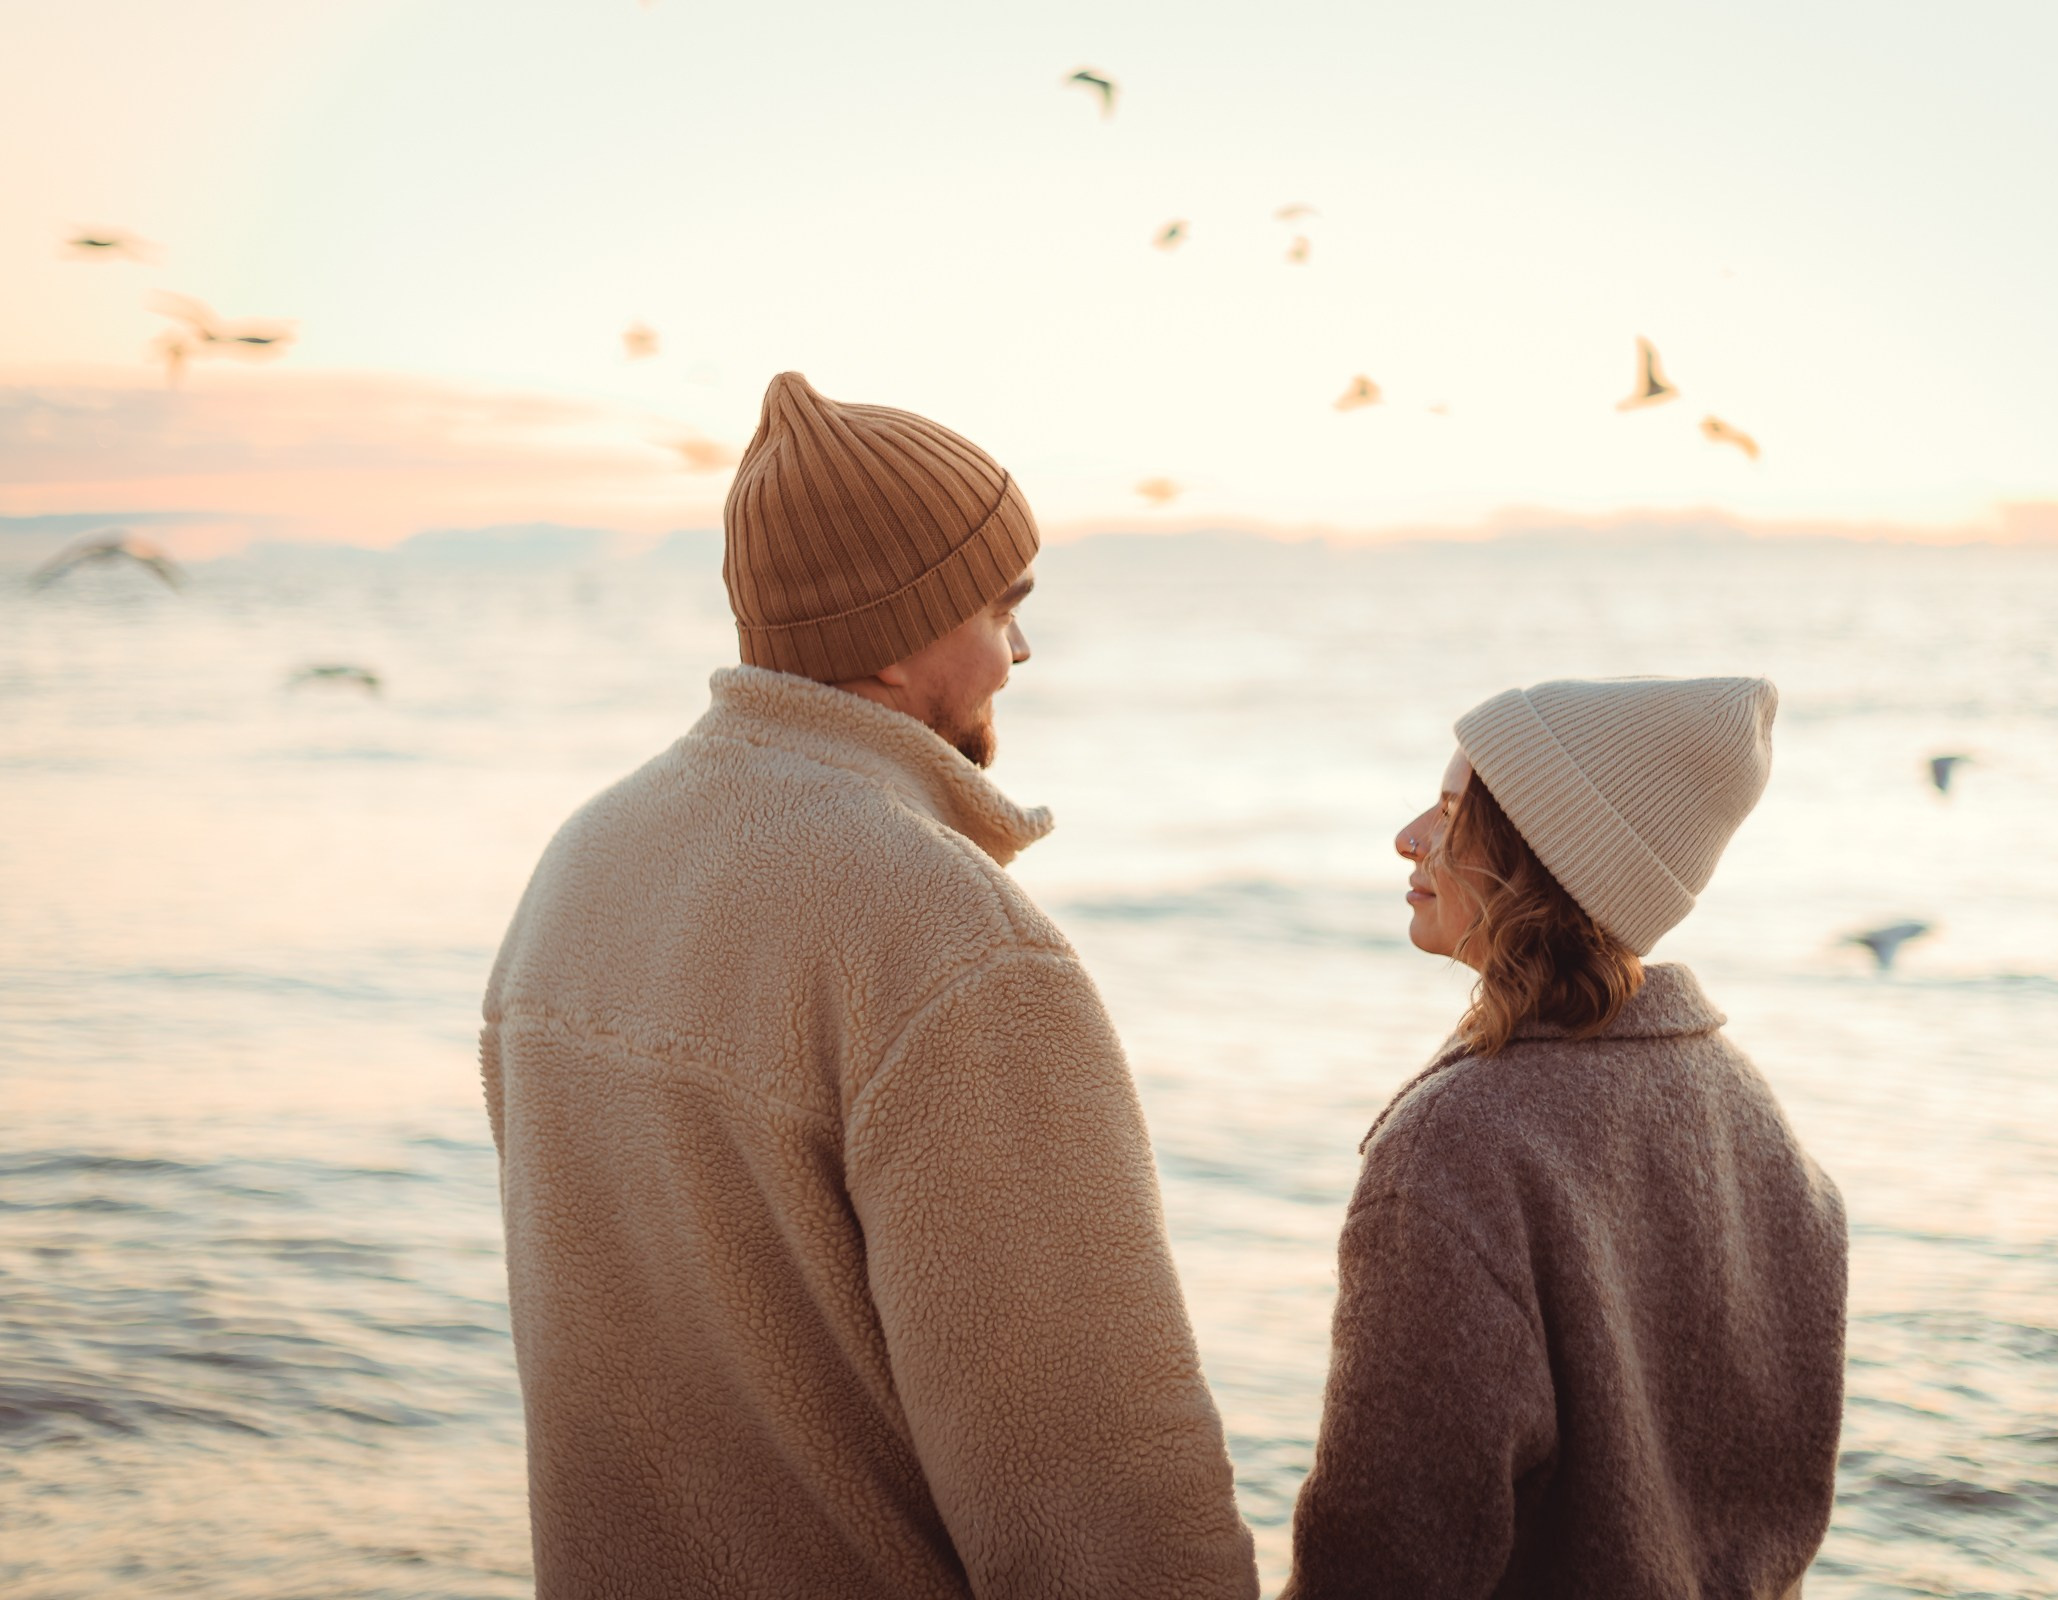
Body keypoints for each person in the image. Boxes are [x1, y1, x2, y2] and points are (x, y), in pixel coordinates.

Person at [479, 372, 1256, 1599]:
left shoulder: (581, 865)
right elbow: (1098, 1480)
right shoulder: (952, 940)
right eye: (1002, 605)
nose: (1022, 646)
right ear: (895, 639)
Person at [1283, 678, 1848, 1600]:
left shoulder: (1455, 1151)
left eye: (1455, 808)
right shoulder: (1764, 1130)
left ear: (1539, 857)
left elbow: (1382, 1563)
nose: (1410, 834)